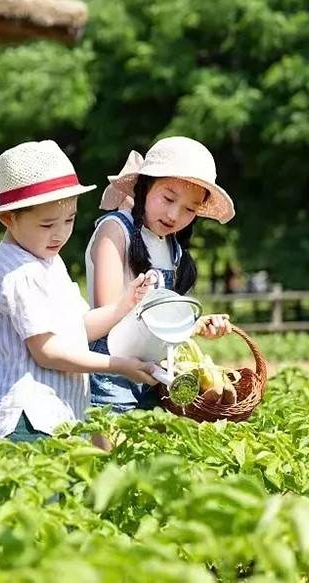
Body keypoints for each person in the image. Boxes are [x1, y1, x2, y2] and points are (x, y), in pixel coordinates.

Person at [0, 140, 159, 442]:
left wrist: (124, 304)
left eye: (69, 220)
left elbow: (76, 330)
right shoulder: (21, 273)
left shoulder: (47, 258)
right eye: (47, 224)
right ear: (8, 218)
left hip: (57, 415)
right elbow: (48, 352)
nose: (61, 233)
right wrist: (119, 366)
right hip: (28, 420)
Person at [86, 136, 236, 415]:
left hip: (155, 378)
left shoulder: (172, 247)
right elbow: (110, 319)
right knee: (109, 458)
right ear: (144, 187)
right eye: (168, 198)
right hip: (110, 376)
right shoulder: (115, 230)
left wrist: (197, 325)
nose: (174, 214)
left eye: (190, 209)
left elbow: (156, 325)